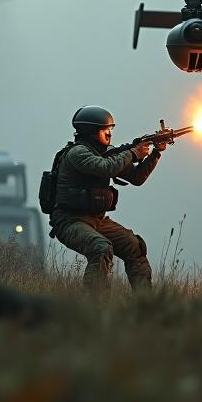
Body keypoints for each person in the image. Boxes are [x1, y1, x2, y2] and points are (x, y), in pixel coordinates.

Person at [50, 105, 164, 291]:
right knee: (100, 247)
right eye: (105, 130)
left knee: (135, 247)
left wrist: (155, 153)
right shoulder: (77, 153)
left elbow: (136, 178)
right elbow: (106, 168)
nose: (109, 134)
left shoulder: (106, 153)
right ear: (91, 131)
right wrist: (133, 153)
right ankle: (96, 307)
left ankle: (146, 304)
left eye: (111, 129)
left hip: (97, 220)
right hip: (69, 221)